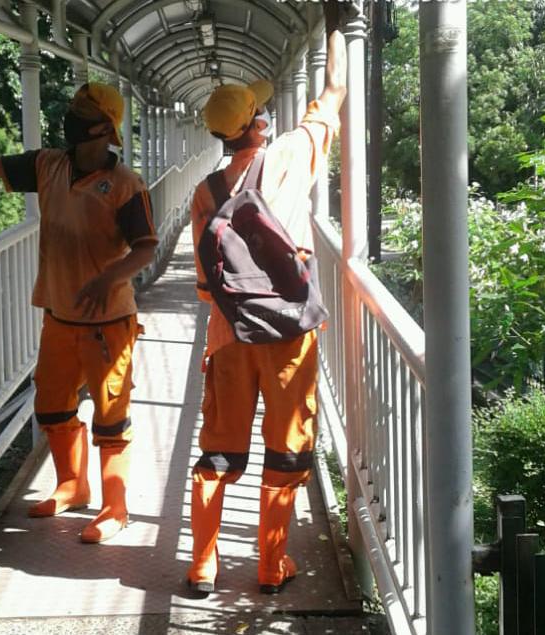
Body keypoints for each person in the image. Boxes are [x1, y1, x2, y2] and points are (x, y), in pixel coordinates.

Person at [186, 8, 348, 595]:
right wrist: (337, 23)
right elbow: (334, 90)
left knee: (220, 447)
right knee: (287, 447)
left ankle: (202, 563)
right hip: (287, 334)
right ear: (256, 124)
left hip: (229, 335)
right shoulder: (289, 154)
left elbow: (207, 282)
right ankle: (270, 564)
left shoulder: (205, 193)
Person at [0, 82, 157, 543]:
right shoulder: (48, 164)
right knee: (51, 405)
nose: (69, 117)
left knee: (111, 416)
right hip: (60, 317)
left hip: (109, 321)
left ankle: (115, 507)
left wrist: (108, 277)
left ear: (103, 128)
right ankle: (72, 484)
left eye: (80, 112)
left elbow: (146, 248)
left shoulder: (126, 185)